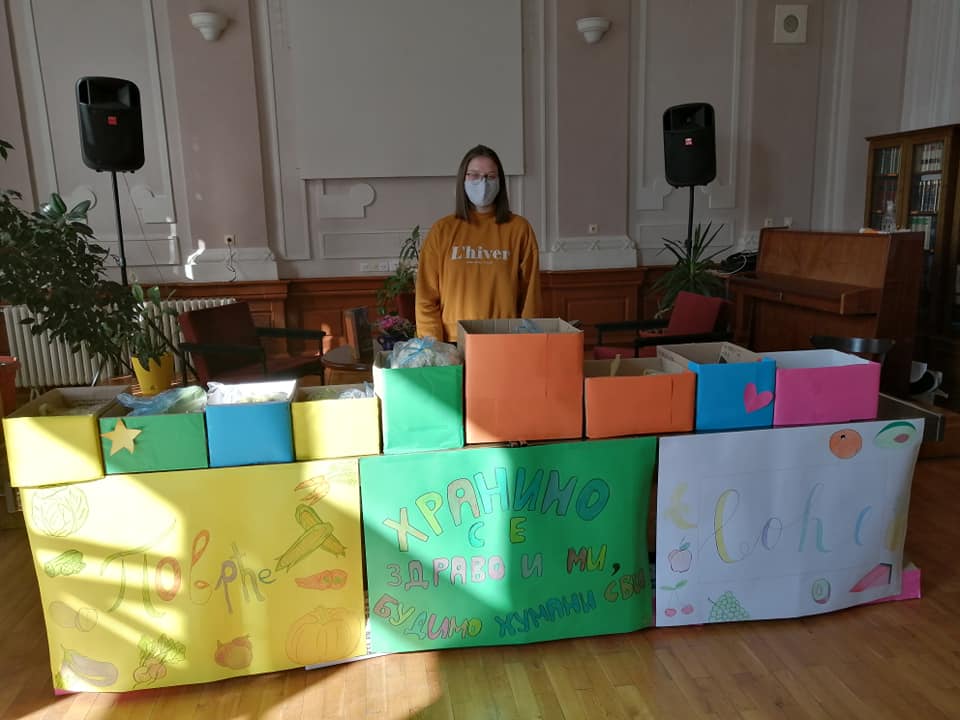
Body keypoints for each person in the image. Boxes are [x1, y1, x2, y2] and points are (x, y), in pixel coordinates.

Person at [415, 144, 541, 343]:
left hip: (504, 337)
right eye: (474, 175)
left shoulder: (519, 229)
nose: (483, 183)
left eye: (490, 176)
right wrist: (433, 346)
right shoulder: (442, 230)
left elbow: (530, 294)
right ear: (463, 179)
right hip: (453, 339)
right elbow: (426, 296)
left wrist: (527, 340)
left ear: (500, 181)